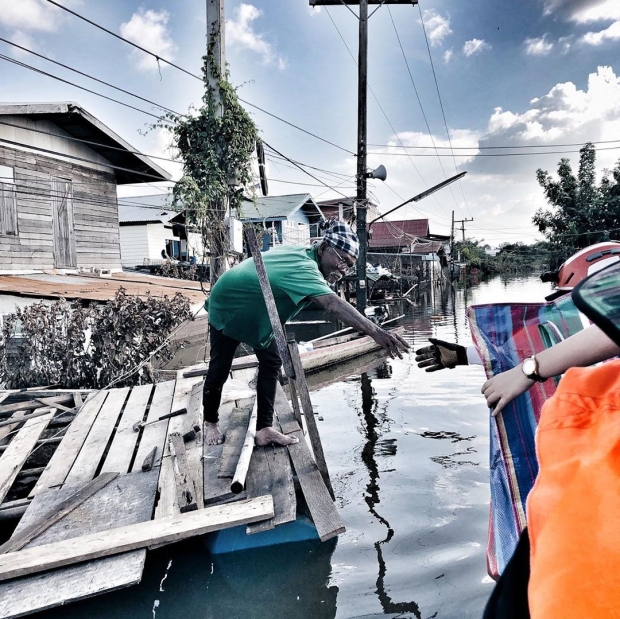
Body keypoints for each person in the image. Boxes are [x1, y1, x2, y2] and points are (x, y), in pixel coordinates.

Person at [203, 221, 410, 447]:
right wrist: (376, 332)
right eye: (341, 260)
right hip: (229, 301)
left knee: (272, 361)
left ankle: (264, 429)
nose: (343, 270)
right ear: (323, 248)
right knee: (220, 366)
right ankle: (210, 422)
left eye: (349, 266)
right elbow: (332, 303)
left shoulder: (307, 255)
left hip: (259, 306)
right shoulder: (305, 268)